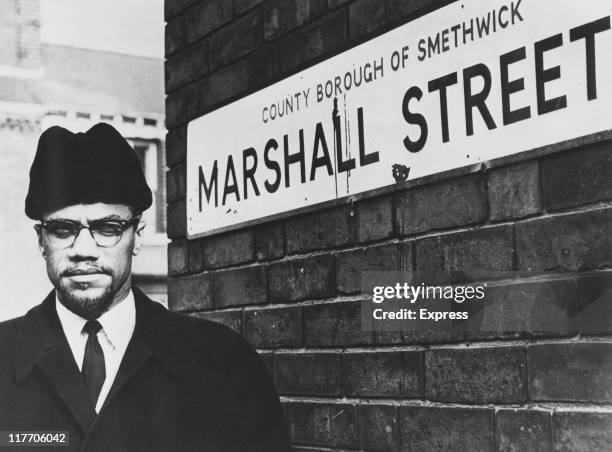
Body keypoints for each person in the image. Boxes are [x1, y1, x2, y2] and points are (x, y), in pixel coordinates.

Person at [0, 123, 290, 451]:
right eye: (62, 230)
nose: (83, 248)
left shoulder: (221, 361)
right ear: (41, 241)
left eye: (107, 228)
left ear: (138, 236)